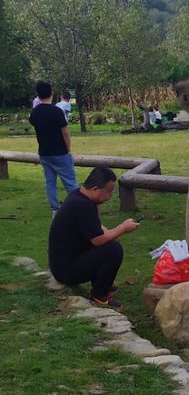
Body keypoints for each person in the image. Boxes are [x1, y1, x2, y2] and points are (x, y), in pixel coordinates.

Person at [48, 165, 140, 309]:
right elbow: (97, 240)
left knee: (110, 242)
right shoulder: (82, 205)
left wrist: (111, 233)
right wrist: (122, 228)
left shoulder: (78, 196)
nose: (109, 197)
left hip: (66, 262)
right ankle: (99, 295)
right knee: (113, 250)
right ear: (95, 189)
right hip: (65, 270)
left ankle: (101, 283)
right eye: (108, 192)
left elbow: (94, 227)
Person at [29, 80, 78, 213]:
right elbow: (65, 132)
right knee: (70, 182)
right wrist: (68, 150)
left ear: (37, 95)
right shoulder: (57, 111)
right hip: (60, 152)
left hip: (44, 153)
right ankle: (77, 207)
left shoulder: (35, 113)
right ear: (52, 92)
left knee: (50, 182)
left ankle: (55, 209)